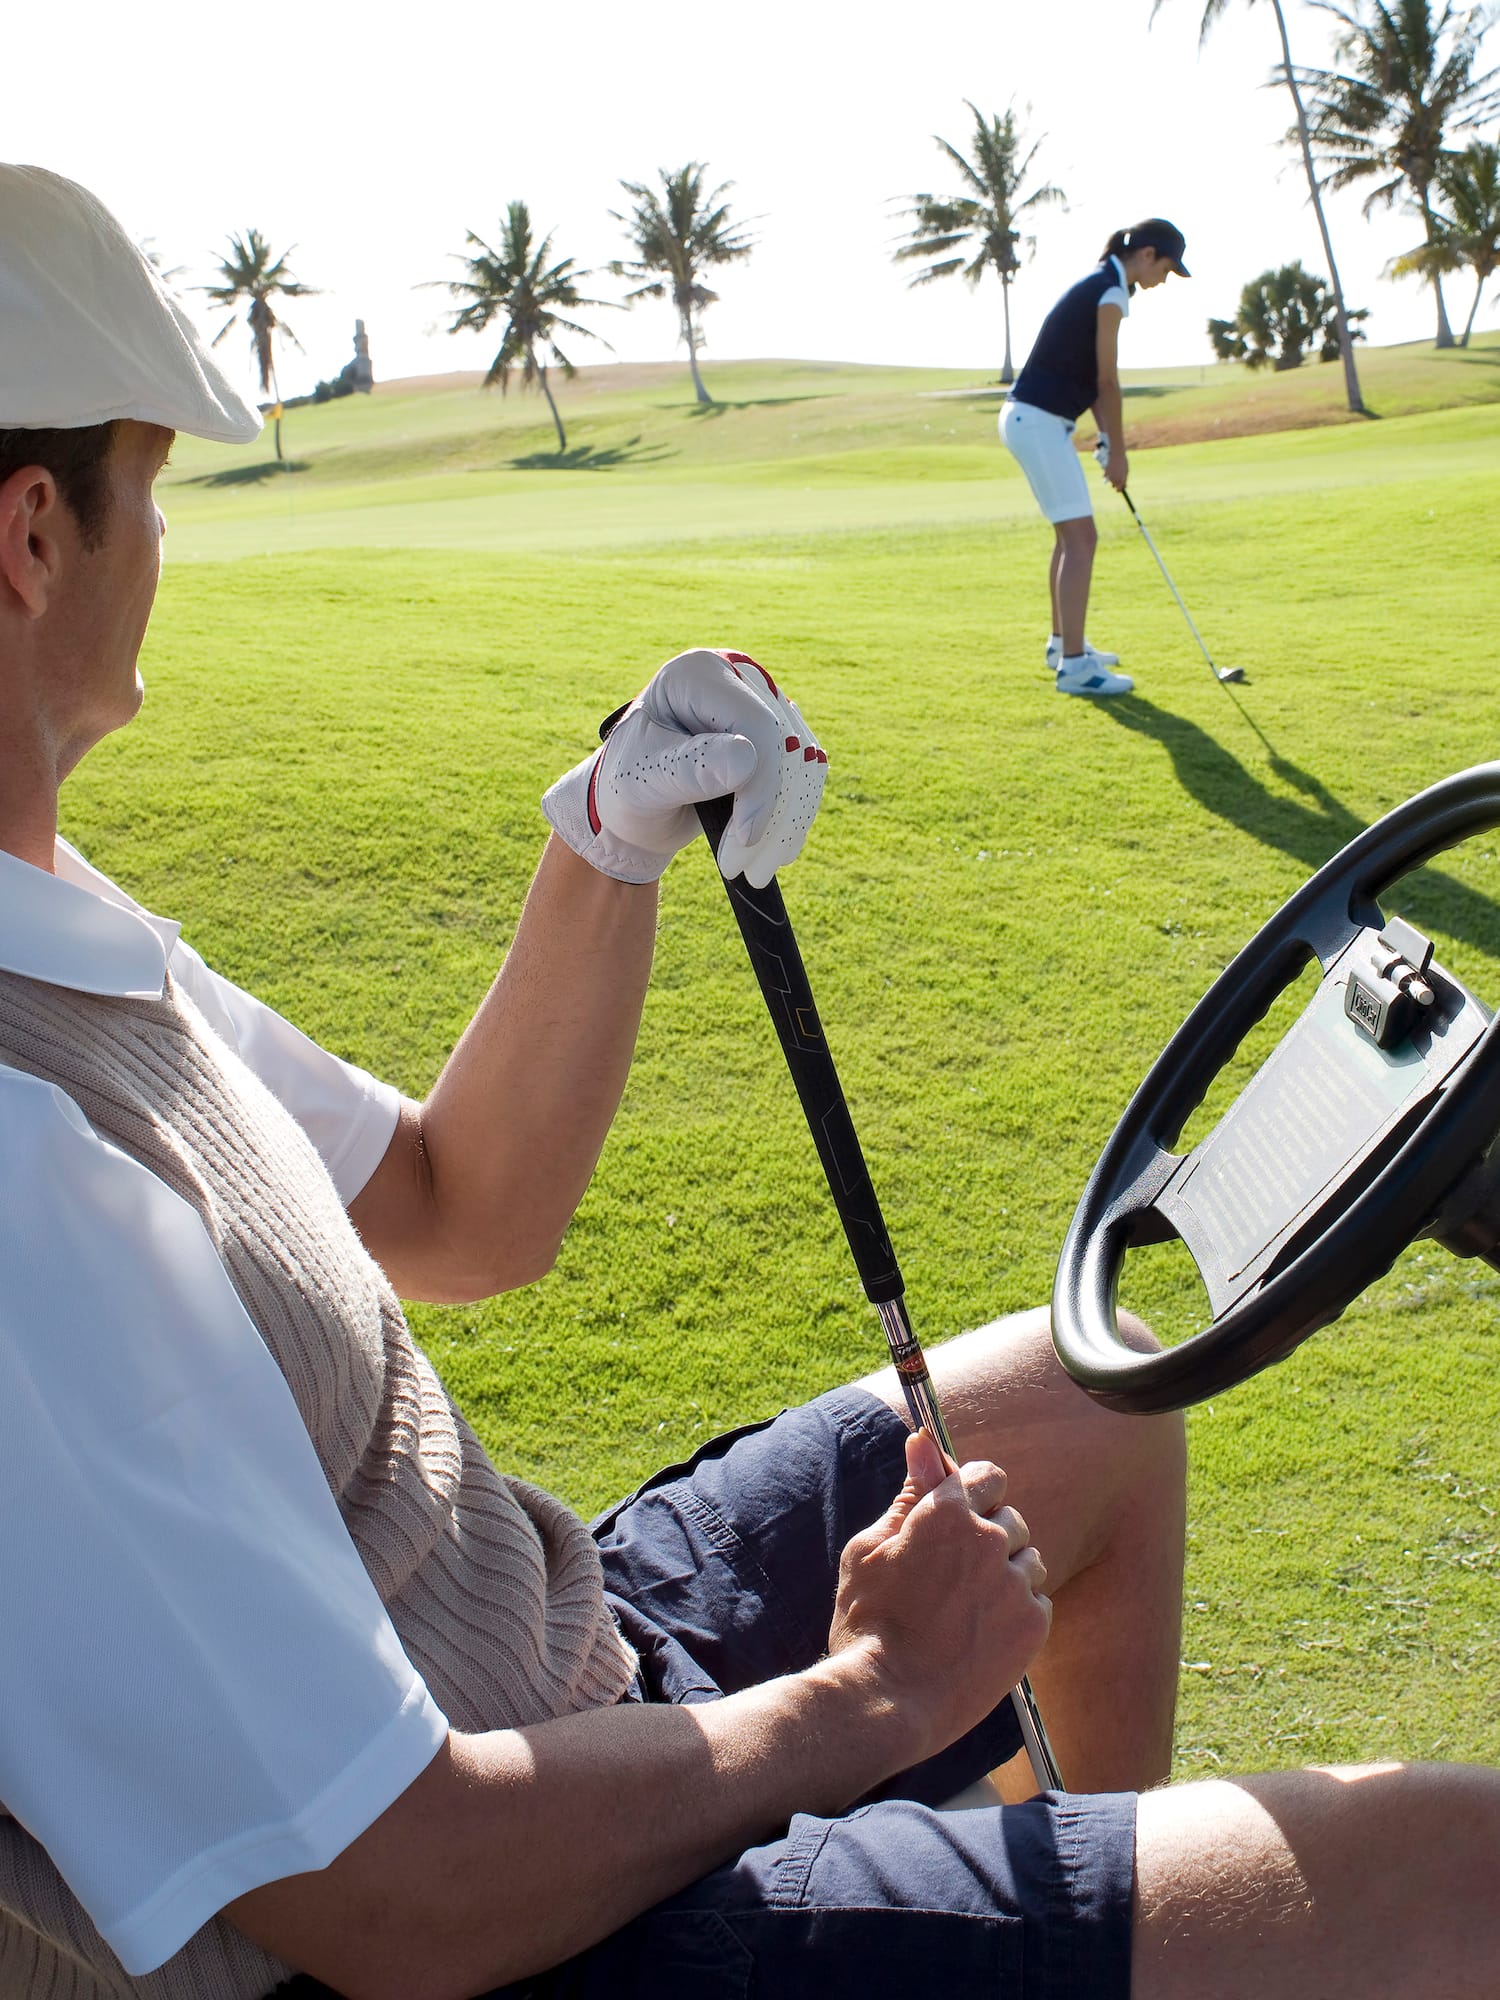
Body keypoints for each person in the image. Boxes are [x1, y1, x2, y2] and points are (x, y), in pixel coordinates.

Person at [3, 165, 1500, 2000]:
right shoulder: (23, 1166)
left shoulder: (60, 925)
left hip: (558, 1661)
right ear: (31, 536)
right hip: (497, 1914)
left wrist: (615, 839)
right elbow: (392, 1893)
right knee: (1456, 1877)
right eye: (151, 487)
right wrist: (864, 1702)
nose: (167, 541)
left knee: (1097, 1406)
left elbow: (460, 1208)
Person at [1000, 218, 1190, 699]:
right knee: (1082, 538)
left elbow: (1092, 382)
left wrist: (1106, 438)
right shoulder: (1110, 292)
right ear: (1147, 255)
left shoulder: (1104, 285)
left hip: (1035, 420)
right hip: (1037, 421)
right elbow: (1108, 381)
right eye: (1167, 269)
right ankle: (1075, 667)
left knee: (1070, 537)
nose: (1164, 279)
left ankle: (1064, 645)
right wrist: (1120, 451)